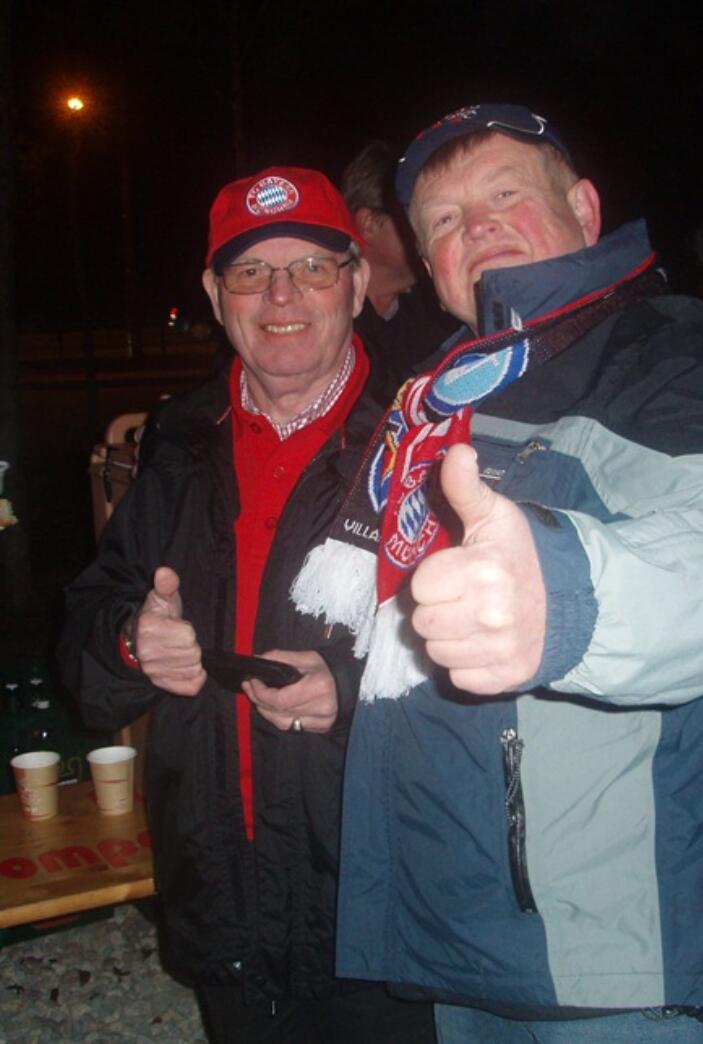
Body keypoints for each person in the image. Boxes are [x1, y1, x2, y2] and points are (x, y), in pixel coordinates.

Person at [292, 105, 703, 1042]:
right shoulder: (446, 391)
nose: (477, 226)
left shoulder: (657, 346)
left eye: (506, 196)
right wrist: (340, 681)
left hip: (620, 954)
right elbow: (431, 627)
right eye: (446, 220)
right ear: (430, 264)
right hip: (467, 932)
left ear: (583, 207)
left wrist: (570, 601)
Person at [59, 167, 435, 1043]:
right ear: (212, 293)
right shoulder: (181, 441)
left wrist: (347, 688)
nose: (281, 295)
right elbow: (85, 641)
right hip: (221, 898)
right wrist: (129, 641)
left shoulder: (423, 436)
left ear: (356, 278)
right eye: (251, 271)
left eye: (309, 266)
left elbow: (496, 673)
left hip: (379, 909)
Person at [341, 140, 455, 404]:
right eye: (411, 219)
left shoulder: (442, 319)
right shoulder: (320, 322)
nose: (428, 232)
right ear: (368, 224)